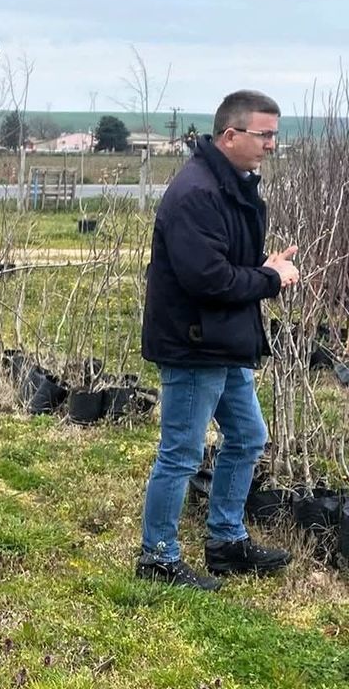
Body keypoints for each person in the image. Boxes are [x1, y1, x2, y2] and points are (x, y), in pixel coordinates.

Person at [137, 90, 299, 590]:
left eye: (274, 135)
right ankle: (158, 558)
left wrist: (262, 266)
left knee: (248, 437)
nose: (272, 144)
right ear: (230, 135)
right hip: (194, 344)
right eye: (264, 134)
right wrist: (269, 278)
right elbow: (208, 279)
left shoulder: (230, 186)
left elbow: (224, 263)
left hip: (223, 340)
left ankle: (226, 542)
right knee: (181, 453)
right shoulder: (197, 193)